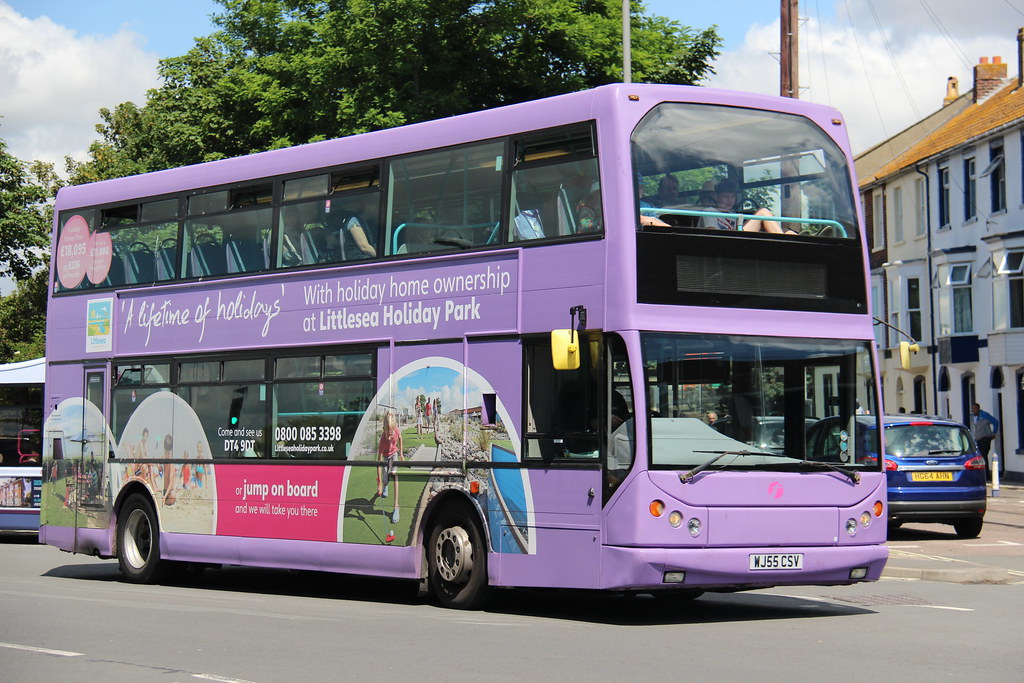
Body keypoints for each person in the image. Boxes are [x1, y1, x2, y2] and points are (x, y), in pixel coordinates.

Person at [701, 180, 793, 234]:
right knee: (763, 212)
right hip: (725, 246)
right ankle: (785, 243)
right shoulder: (709, 212)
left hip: (734, 242)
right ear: (717, 197)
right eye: (725, 197)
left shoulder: (733, 216)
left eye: (732, 197)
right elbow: (712, 235)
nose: (730, 201)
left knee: (788, 232)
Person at [377, 410, 403, 531]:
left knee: (394, 475)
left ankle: (396, 506)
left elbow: (401, 439)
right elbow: (379, 462)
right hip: (386, 456)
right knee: (385, 479)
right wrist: (380, 483)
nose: (390, 436)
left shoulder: (396, 431)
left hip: (394, 455)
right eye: (388, 433)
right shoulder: (382, 440)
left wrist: (401, 453)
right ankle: (386, 484)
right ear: (384, 429)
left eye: (392, 433)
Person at [970, 403, 998, 476]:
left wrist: (993, 433)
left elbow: (995, 422)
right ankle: (982, 473)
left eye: (975, 408)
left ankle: (986, 474)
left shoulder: (984, 415)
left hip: (985, 438)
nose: (973, 410)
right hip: (977, 439)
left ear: (978, 409)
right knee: (978, 456)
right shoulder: (971, 417)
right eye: (972, 408)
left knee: (983, 455)